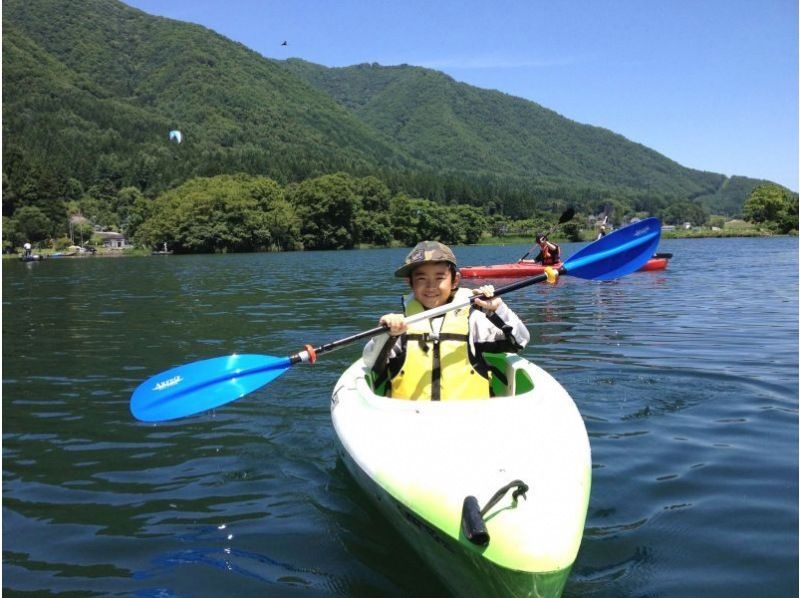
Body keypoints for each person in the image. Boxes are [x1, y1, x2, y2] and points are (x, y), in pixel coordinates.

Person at [362, 241, 530, 401]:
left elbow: (520, 341)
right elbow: (371, 364)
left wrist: (497, 309)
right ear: (410, 282)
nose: (430, 286)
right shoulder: (400, 325)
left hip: (468, 417)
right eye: (421, 278)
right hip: (411, 419)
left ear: (455, 280)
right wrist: (386, 334)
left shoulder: (473, 320)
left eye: (439, 278)